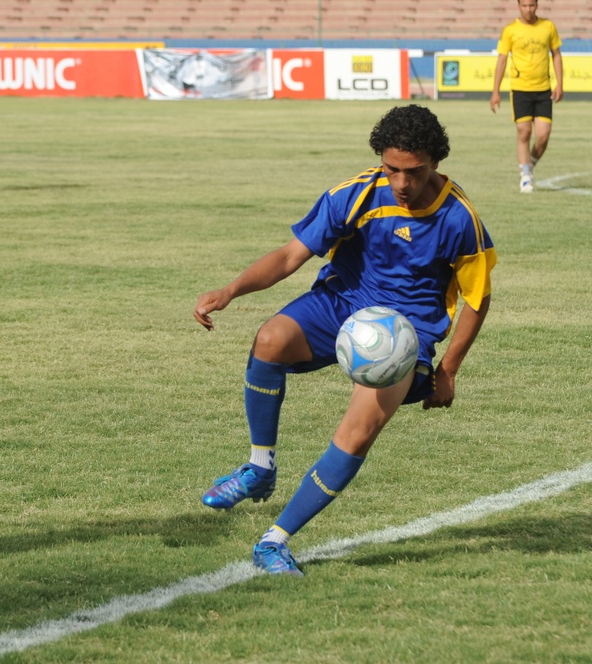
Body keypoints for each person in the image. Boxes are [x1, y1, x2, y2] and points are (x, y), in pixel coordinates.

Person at [193, 105, 496, 577]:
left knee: (357, 433)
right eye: (391, 169)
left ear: (435, 162)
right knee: (270, 339)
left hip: (404, 333)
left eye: (413, 172)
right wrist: (231, 290)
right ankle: (259, 468)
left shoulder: (460, 218)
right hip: (341, 304)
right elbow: (292, 255)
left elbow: (477, 300)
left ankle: (274, 541)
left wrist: (448, 370)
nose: (401, 182)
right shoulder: (354, 194)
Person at [490, 0, 563, 194]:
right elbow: (502, 59)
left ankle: (529, 164)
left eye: (532, 5)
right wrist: (495, 91)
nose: (528, 9)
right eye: (525, 5)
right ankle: (525, 176)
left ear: (537, 5)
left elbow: (556, 54)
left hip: (543, 89)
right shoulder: (510, 30)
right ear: (519, 6)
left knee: (543, 135)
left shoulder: (548, 27)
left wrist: (560, 84)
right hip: (520, 89)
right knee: (524, 132)